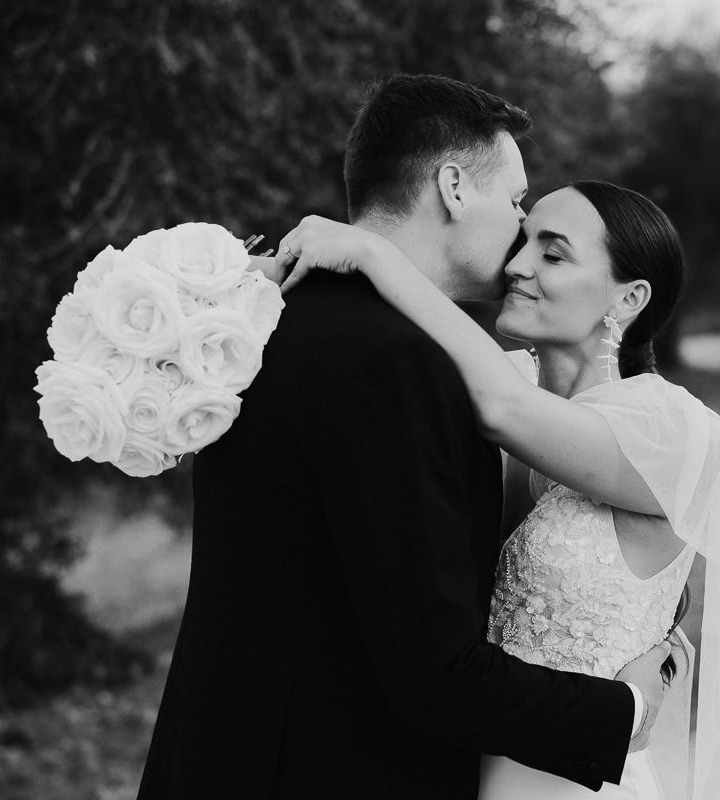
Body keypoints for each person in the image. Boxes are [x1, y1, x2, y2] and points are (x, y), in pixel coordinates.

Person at [136, 75, 671, 800]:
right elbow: (434, 677)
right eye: (514, 202)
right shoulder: (395, 364)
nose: (519, 235)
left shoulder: (267, 326)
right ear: (453, 187)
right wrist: (625, 712)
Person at [275, 180, 720, 798]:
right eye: (522, 242)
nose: (515, 265)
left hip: (577, 780)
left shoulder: (669, 432)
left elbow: (504, 410)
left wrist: (376, 253)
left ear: (629, 298)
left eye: (553, 253)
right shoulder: (494, 383)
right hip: (453, 769)